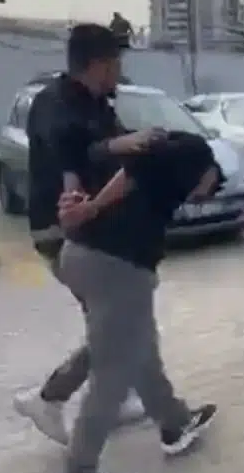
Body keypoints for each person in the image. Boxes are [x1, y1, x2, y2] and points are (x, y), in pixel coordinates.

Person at [43, 130, 221, 473]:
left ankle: (174, 422)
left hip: (82, 255)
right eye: (205, 192)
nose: (198, 198)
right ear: (210, 174)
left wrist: (88, 208)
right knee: (113, 372)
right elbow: (136, 172)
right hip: (116, 264)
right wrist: (92, 208)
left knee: (138, 343)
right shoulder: (195, 153)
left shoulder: (159, 148)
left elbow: (106, 156)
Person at [13, 24, 156, 445]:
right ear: (98, 65)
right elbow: (74, 150)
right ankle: (49, 398)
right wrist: (119, 146)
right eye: (115, 64)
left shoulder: (98, 105)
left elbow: (117, 147)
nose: (119, 73)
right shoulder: (53, 104)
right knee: (120, 321)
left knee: (117, 319)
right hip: (62, 232)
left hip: (96, 230)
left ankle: (113, 395)